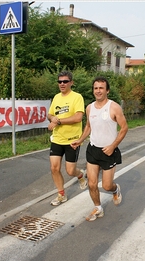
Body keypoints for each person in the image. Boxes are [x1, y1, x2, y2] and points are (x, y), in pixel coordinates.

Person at [71, 76, 128, 222]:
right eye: (96, 88)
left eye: (101, 88)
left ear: (107, 90)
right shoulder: (89, 108)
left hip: (109, 151)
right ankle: (98, 208)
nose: (98, 91)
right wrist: (80, 140)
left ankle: (115, 190)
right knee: (91, 183)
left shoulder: (114, 107)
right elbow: (89, 126)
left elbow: (124, 128)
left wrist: (113, 146)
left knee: (107, 185)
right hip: (93, 149)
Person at [47, 70, 87, 206]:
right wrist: (52, 118)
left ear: (71, 83)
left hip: (72, 140)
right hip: (57, 138)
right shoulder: (57, 97)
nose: (62, 84)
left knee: (70, 171)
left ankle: (80, 175)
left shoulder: (77, 97)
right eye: (60, 81)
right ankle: (61, 194)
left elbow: (78, 117)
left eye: (65, 81)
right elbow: (50, 114)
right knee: (54, 168)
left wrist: (58, 121)